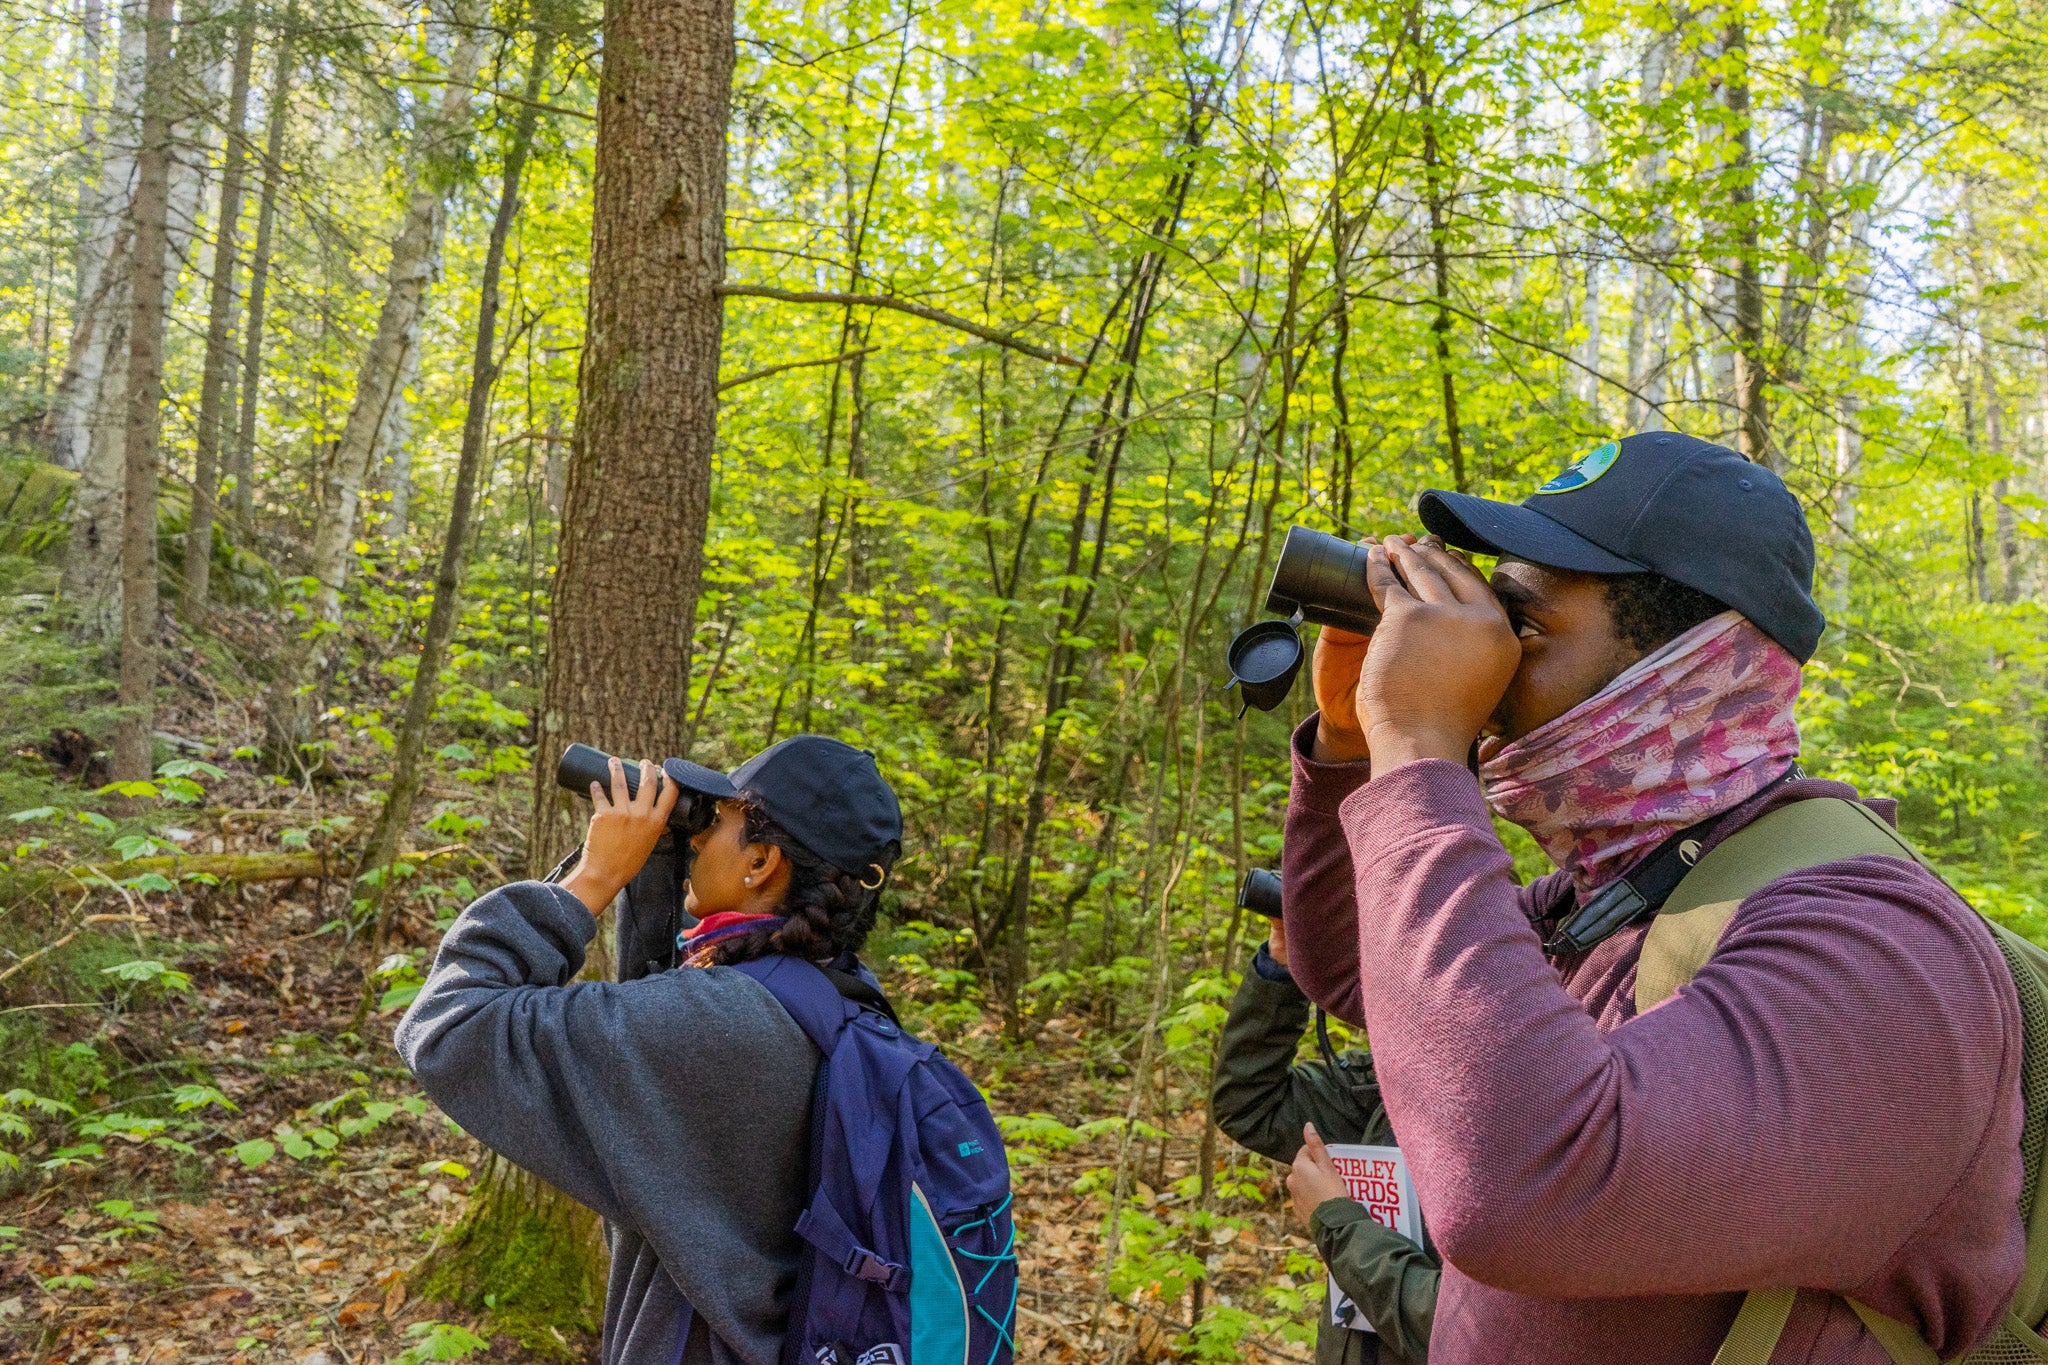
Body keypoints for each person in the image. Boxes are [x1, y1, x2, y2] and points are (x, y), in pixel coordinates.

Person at [1279, 431, 2025, 1364]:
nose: (1491, 677)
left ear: (1694, 665)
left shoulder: (1877, 953)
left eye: (1524, 627)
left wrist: (1422, 747)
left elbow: (1522, 1183)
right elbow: (1357, 961)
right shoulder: (1627, 897)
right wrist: (1358, 745)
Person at [395, 736, 905, 1365]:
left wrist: (597, 875)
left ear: (762, 862)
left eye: (717, 823)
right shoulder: (843, 998)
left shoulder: (721, 1024)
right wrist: (659, 876)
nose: (695, 838)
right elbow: (665, 1041)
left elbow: (449, 1026)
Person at [1212, 909, 1438, 1365]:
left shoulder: (1536, 1121)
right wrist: (1283, 964)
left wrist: (1337, 1222)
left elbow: (1451, 1325)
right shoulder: (1391, 1088)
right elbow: (1251, 1102)